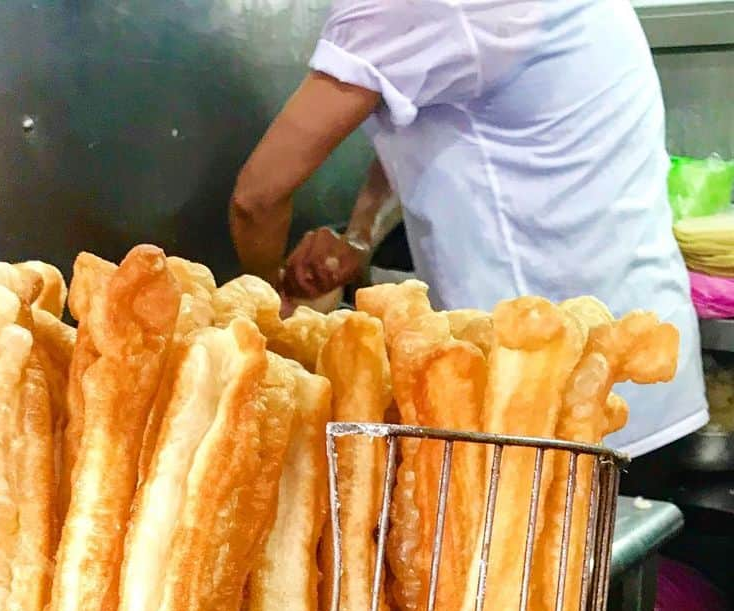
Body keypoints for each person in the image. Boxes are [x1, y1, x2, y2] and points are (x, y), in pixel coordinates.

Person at [229, 0, 707, 481]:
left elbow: (256, 200)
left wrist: (273, 317)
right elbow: (423, 105)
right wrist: (357, 239)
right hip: (638, 365)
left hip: (549, 407)